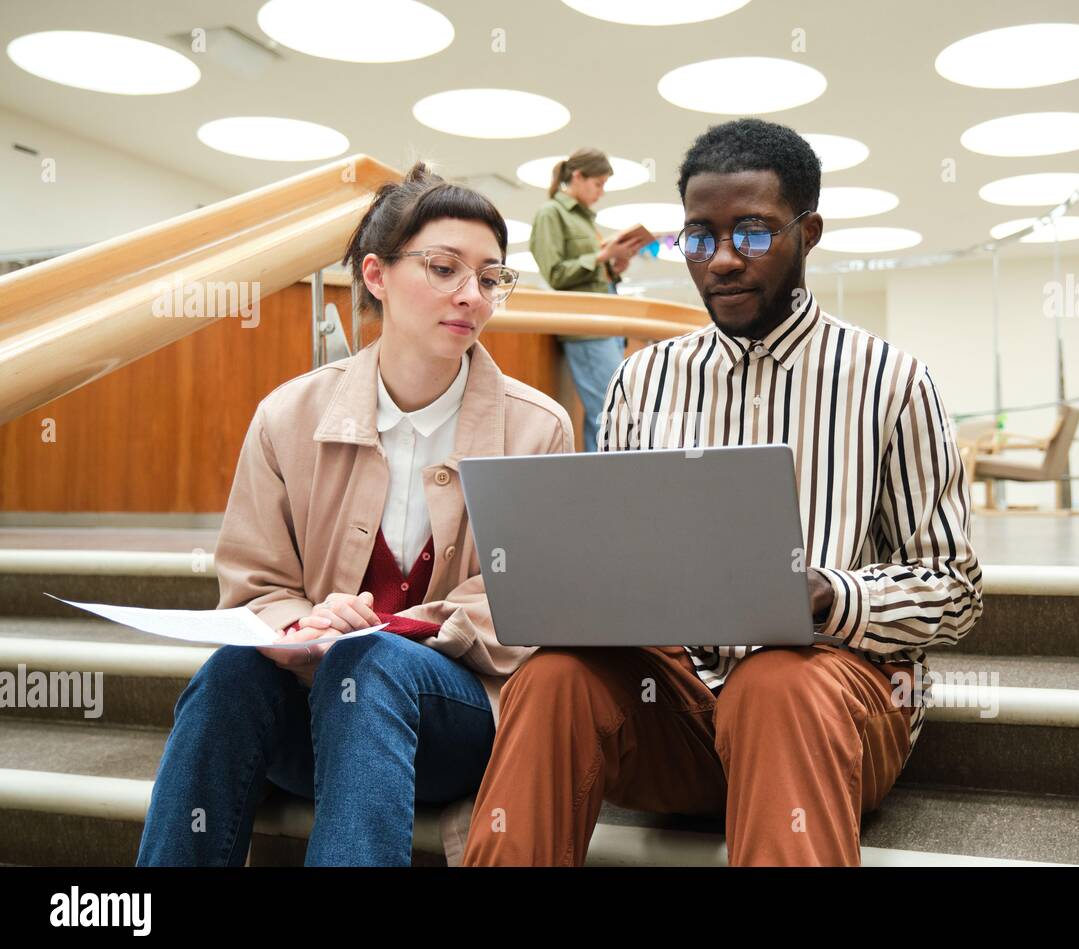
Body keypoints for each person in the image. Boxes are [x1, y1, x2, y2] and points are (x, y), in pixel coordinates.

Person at [461, 119, 983, 867]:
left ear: (809, 233)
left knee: (775, 682)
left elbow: (955, 592)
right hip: (674, 710)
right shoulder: (644, 379)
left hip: (825, 709)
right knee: (552, 678)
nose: (723, 261)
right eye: (699, 239)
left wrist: (828, 595)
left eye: (754, 233)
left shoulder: (892, 380)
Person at [136, 163, 574, 867]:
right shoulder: (287, 415)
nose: (472, 296)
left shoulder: (538, 428)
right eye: (443, 268)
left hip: (454, 725)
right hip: (311, 713)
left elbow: (526, 607)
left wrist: (383, 630)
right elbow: (255, 590)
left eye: (490, 278)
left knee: (371, 664)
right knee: (228, 677)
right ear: (375, 275)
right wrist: (301, 628)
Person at [529, 148, 640, 451]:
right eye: (598, 183)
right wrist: (601, 256)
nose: (601, 192)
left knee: (603, 413)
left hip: (606, 323)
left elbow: (588, 273)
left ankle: (601, 481)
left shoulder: (585, 219)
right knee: (610, 413)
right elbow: (555, 274)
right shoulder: (551, 213)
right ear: (577, 176)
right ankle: (605, 486)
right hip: (587, 327)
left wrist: (613, 266)